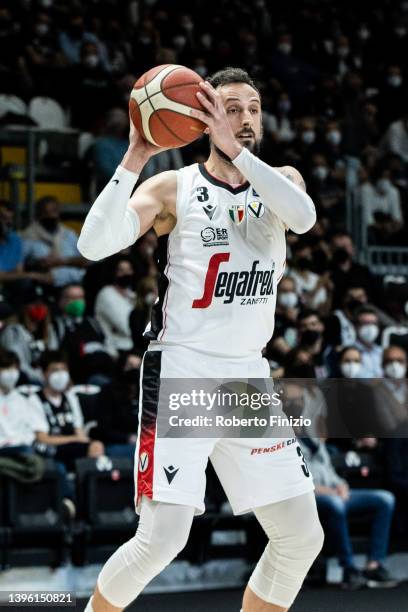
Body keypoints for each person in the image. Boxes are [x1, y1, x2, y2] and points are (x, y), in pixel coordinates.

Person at [78, 67, 323, 612]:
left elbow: (303, 220)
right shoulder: (173, 187)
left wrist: (239, 154)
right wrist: (136, 156)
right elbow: (93, 246)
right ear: (202, 114)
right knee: (162, 539)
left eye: (253, 109)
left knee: (302, 536)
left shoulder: (282, 179)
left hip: (248, 376)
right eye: (231, 108)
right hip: (183, 369)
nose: (245, 119)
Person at [300, 437, 398, 589]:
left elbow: (332, 474)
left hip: (336, 494)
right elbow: (299, 484)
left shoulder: (316, 442)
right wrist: (333, 492)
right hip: (308, 499)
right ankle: (349, 568)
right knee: (336, 505)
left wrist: (342, 486)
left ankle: (374, 566)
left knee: (385, 499)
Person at [28, 350, 105, 471]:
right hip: (49, 448)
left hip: (71, 448)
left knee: (96, 446)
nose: (60, 374)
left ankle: (91, 487)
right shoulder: (35, 399)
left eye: (63, 369)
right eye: (54, 370)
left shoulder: (70, 397)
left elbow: (79, 432)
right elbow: (42, 438)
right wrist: (75, 439)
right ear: (44, 373)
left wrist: (85, 441)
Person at [21, 195, 87, 287]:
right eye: (46, 212)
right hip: (45, 283)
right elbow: (19, 267)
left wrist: (63, 261)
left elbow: (84, 260)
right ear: (39, 213)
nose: (51, 215)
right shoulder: (28, 236)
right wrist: (36, 265)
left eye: (54, 211)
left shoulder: (69, 234)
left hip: (75, 280)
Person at [94, 257, 136, 357]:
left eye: (129, 270)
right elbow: (126, 328)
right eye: (121, 270)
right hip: (114, 350)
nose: (126, 274)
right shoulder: (106, 294)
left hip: (134, 347)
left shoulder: (132, 294)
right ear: (112, 272)